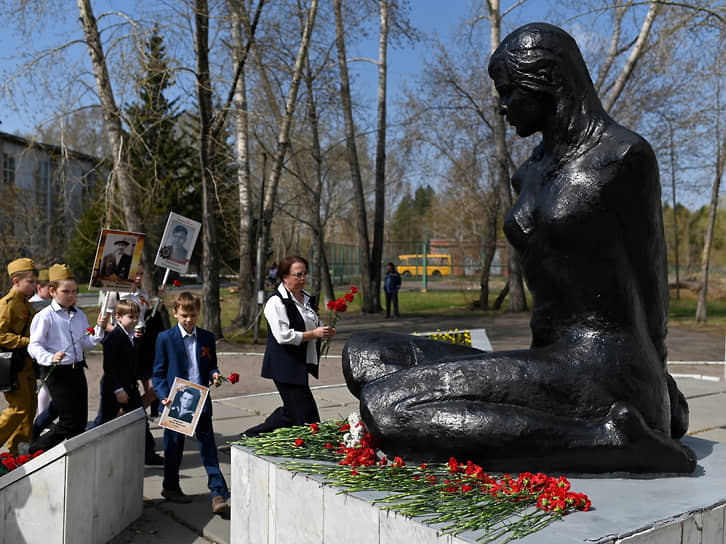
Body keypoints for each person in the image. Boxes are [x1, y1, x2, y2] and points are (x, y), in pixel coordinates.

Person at [342, 23, 694, 473]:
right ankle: (584, 427)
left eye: (509, 92)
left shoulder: (624, 158)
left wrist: (660, 391)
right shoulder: (530, 171)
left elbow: (652, 285)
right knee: (366, 354)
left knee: (389, 408)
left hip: (606, 367)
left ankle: (609, 440)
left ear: (546, 82)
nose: (504, 107)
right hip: (548, 359)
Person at [152, 291, 229, 514]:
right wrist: (164, 395)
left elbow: (212, 364)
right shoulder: (165, 338)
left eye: (193, 315)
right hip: (176, 401)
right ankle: (171, 486)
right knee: (174, 447)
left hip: (200, 399)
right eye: (184, 315)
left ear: (198, 313)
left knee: (208, 447)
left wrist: (215, 374)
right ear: (175, 313)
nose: (188, 320)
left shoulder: (206, 337)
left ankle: (218, 492)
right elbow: (158, 373)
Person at [242, 256, 335, 437]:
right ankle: (314, 446)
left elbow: (310, 322)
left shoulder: (305, 297)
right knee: (308, 417)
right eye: (298, 275)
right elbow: (284, 336)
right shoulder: (276, 302)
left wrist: (323, 329)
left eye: (305, 274)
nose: (303, 278)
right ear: (285, 277)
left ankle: (252, 435)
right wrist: (314, 334)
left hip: (299, 365)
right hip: (284, 366)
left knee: (292, 412)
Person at [26, 264, 108, 454]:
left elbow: (85, 344)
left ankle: (71, 455)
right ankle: (34, 451)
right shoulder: (45, 316)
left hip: (77, 369)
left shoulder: (78, 314)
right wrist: (50, 356)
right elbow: (34, 345)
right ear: (53, 291)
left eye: (74, 291)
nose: (71, 295)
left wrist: (99, 330)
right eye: (65, 291)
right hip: (58, 372)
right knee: (68, 422)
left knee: (79, 421)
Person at [88, 299, 164, 467]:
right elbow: (109, 367)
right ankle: (82, 443)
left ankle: (148, 455)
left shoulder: (130, 336)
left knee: (139, 418)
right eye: (131, 317)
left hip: (130, 387)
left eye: (137, 317)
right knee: (103, 421)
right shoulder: (113, 337)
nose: (135, 320)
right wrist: (118, 389)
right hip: (114, 388)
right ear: (118, 317)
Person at [103, 264, 166, 417]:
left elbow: (149, 318)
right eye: (135, 274)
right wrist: (126, 334)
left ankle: (130, 415)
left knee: (155, 388)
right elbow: (104, 324)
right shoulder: (114, 295)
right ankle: (123, 416)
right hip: (124, 348)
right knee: (125, 390)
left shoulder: (142, 294)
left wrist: (160, 299)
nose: (138, 278)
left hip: (144, 348)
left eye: (141, 274)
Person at [0, 258, 38, 455]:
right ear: (16, 281)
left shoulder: (25, 303)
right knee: (19, 407)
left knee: (30, 407)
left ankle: (18, 450)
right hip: (13, 363)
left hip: (27, 363)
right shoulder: (7, 304)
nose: (34, 285)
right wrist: (27, 342)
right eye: (30, 282)